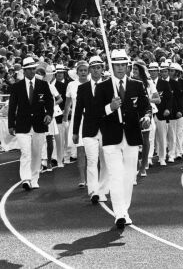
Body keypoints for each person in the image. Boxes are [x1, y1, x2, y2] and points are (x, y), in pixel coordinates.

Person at [94, 49, 152, 229]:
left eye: (123, 65)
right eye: (116, 65)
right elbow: (95, 113)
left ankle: (124, 210)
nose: (120, 68)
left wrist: (147, 117)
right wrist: (110, 107)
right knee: (115, 176)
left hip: (132, 138)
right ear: (111, 67)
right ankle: (119, 213)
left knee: (128, 177)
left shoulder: (136, 85)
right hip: (111, 138)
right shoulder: (103, 86)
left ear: (127, 66)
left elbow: (146, 107)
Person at [8, 57, 54, 190]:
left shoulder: (43, 85)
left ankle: (34, 179)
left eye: (34, 68)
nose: (32, 71)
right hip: (22, 125)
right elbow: (12, 107)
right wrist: (11, 124)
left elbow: (50, 102)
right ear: (24, 70)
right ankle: (26, 179)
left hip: (39, 124)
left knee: (37, 153)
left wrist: (49, 114)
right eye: (29, 69)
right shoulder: (16, 87)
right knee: (26, 153)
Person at [72, 56, 108, 204]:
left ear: (102, 69)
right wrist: (75, 132)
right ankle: (93, 190)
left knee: (105, 161)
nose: (96, 70)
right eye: (93, 68)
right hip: (88, 130)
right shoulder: (82, 88)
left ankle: (103, 189)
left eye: (98, 67)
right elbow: (78, 111)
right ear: (89, 70)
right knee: (92, 160)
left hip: (106, 129)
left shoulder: (109, 86)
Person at [63, 61, 89, 188]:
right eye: (81, 70)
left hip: (91, 120)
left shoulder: (94, 84)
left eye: (85, 70)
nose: (83, 72)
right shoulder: (71, 85)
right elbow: (67, 104)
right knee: (80, 150)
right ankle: (83, 179)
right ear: (77, 72)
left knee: (93, 151)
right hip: (77, 121)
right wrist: (64, 119)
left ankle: (93, 177)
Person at [132, 60, 160, 176]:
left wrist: (145, 99)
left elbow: (158, 99)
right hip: (133, 113)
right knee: (134, 142)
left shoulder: (149, 83)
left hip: (146, 113)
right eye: (133, 69)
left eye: (136, 69)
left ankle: (144, 164)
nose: (134, 72)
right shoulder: (130, 81)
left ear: (142, 71)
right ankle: (136, 166)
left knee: (146, 140)